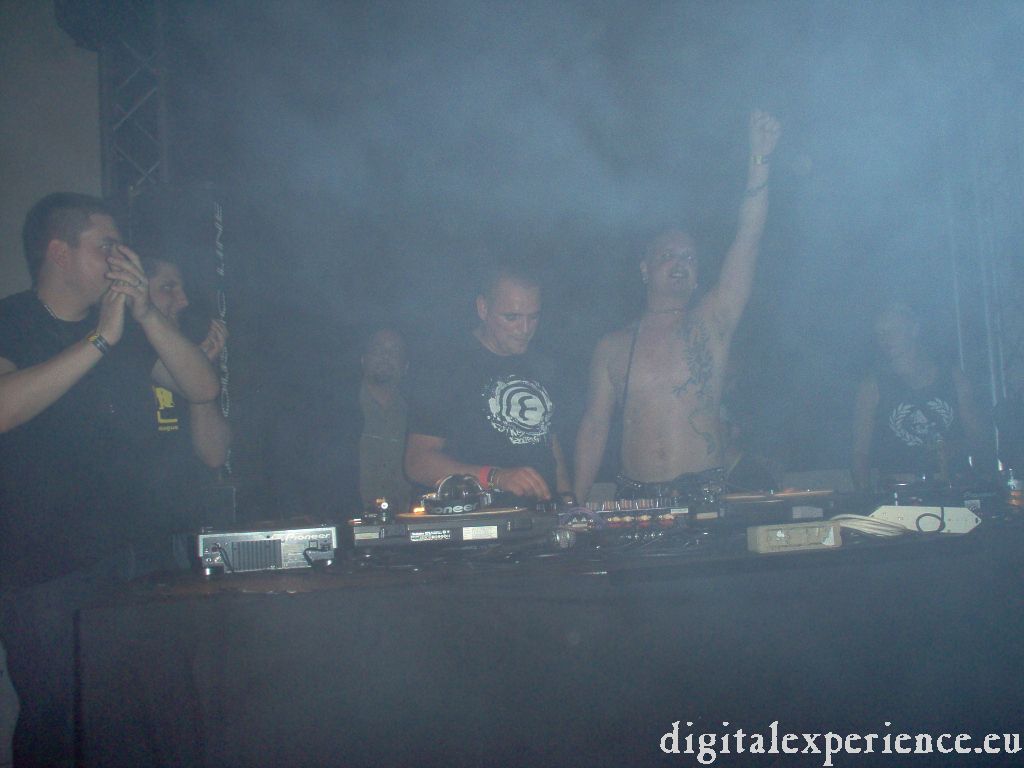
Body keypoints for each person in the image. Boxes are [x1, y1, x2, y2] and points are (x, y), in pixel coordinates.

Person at [0, 193, 219, 768]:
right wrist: (98, 340)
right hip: (47, 566)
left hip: (135, 554)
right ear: (59, 252)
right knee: (60, 721)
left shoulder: (127, 327)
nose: (123, 260)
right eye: (107, 247)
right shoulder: (13, 320)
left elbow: (201, 387)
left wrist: (146, 314)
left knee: (150, 715)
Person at [574, 110, 781, 502]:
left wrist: (760, 159)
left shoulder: (713, 321)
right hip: (635, 498)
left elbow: (749, 237)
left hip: (703, 493)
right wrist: (576, 505)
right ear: (645, 269)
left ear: (698, 274)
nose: (679, 263)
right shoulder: (613, 346)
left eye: (688, 257)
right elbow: (594, 426)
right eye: (668, 255)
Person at [405, 262, 570, 504]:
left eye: (533, 317)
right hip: (477, 518)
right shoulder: (446, 365)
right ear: (483, 309)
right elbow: (417, 462)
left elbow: (550, 445)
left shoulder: (541, 364)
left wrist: (567, 502)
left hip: (541, 516)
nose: (525, 329)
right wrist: (494, 477)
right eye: (512, 317)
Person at [852, 299, 990, 491]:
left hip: (953, 489)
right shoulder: (872, 386)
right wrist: (864, 496)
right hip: (899, 493)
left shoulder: (952, 377)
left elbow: (980, 437)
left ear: (914, 329)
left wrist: (955, 448)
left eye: (893, 331)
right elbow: (860, 452)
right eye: (880, 333)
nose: (885, 339)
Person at [357, 328, 412, 512]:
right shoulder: (340, 410)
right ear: (363, 359)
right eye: (378, 349)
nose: (385, 356)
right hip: (350, 516)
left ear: (405, 366)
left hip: (402, 519)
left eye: (394, 351)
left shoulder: (416, 417)